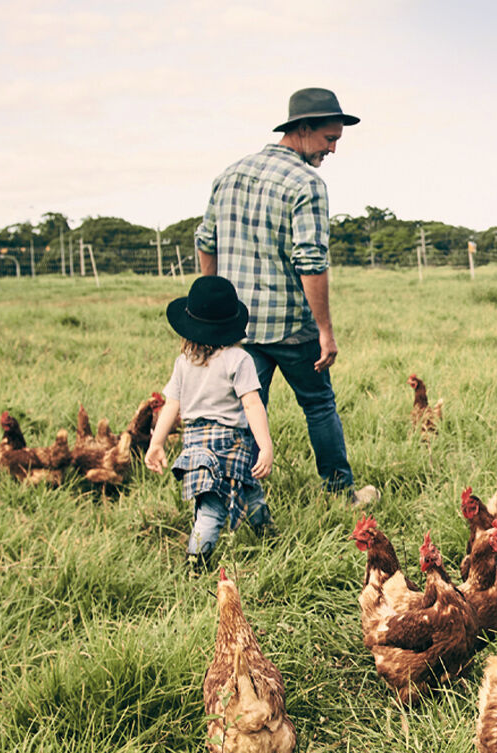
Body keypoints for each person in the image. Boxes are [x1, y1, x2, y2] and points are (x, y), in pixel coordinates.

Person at [194, 86, 377, 506]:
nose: (332, 149)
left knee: (239, 411)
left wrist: (213, 309)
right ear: (304, 128)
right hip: (291, 326)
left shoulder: (230, 174)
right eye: (330, 139)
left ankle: (233, 494)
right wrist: (325, 331)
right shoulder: (307, 183)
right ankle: (339, 493)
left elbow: (206, 241)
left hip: (238, 327)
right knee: (318, 404)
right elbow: (311, 261)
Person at [145, 275, 273, 565]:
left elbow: (171, 406)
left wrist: (157, 443)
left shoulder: (184, 363)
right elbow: (252, 404)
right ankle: (197, 562)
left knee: (231, 495)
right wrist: (265, 445)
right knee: (223, 504)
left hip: (194, 442)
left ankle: (266, 537)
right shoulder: (239, 359)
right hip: (231, 441)